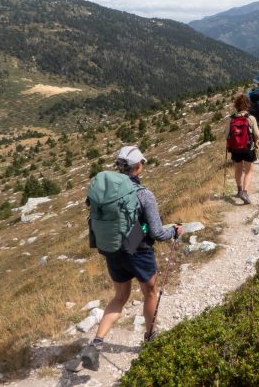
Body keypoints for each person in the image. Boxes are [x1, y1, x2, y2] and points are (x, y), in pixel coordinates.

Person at [81, 146, 183, 371]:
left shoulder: (106, 193)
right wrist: (174, 231)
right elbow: (156, 232)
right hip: (140, 252)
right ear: (138, 167)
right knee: (149, 293)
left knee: (119, 297)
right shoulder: (144, 194)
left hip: (114, 251)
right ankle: (150, 335)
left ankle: (95, 345)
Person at [226, 94, 259, 204]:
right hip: (248, 148)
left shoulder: (231, 119)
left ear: (236, 105)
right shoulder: (250, 118)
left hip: (235, 148)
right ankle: (245, 193)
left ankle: (239, 190)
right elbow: (258, 135)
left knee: (238, 170)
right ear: (247, 105)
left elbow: (226, 136)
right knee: (248, 171)